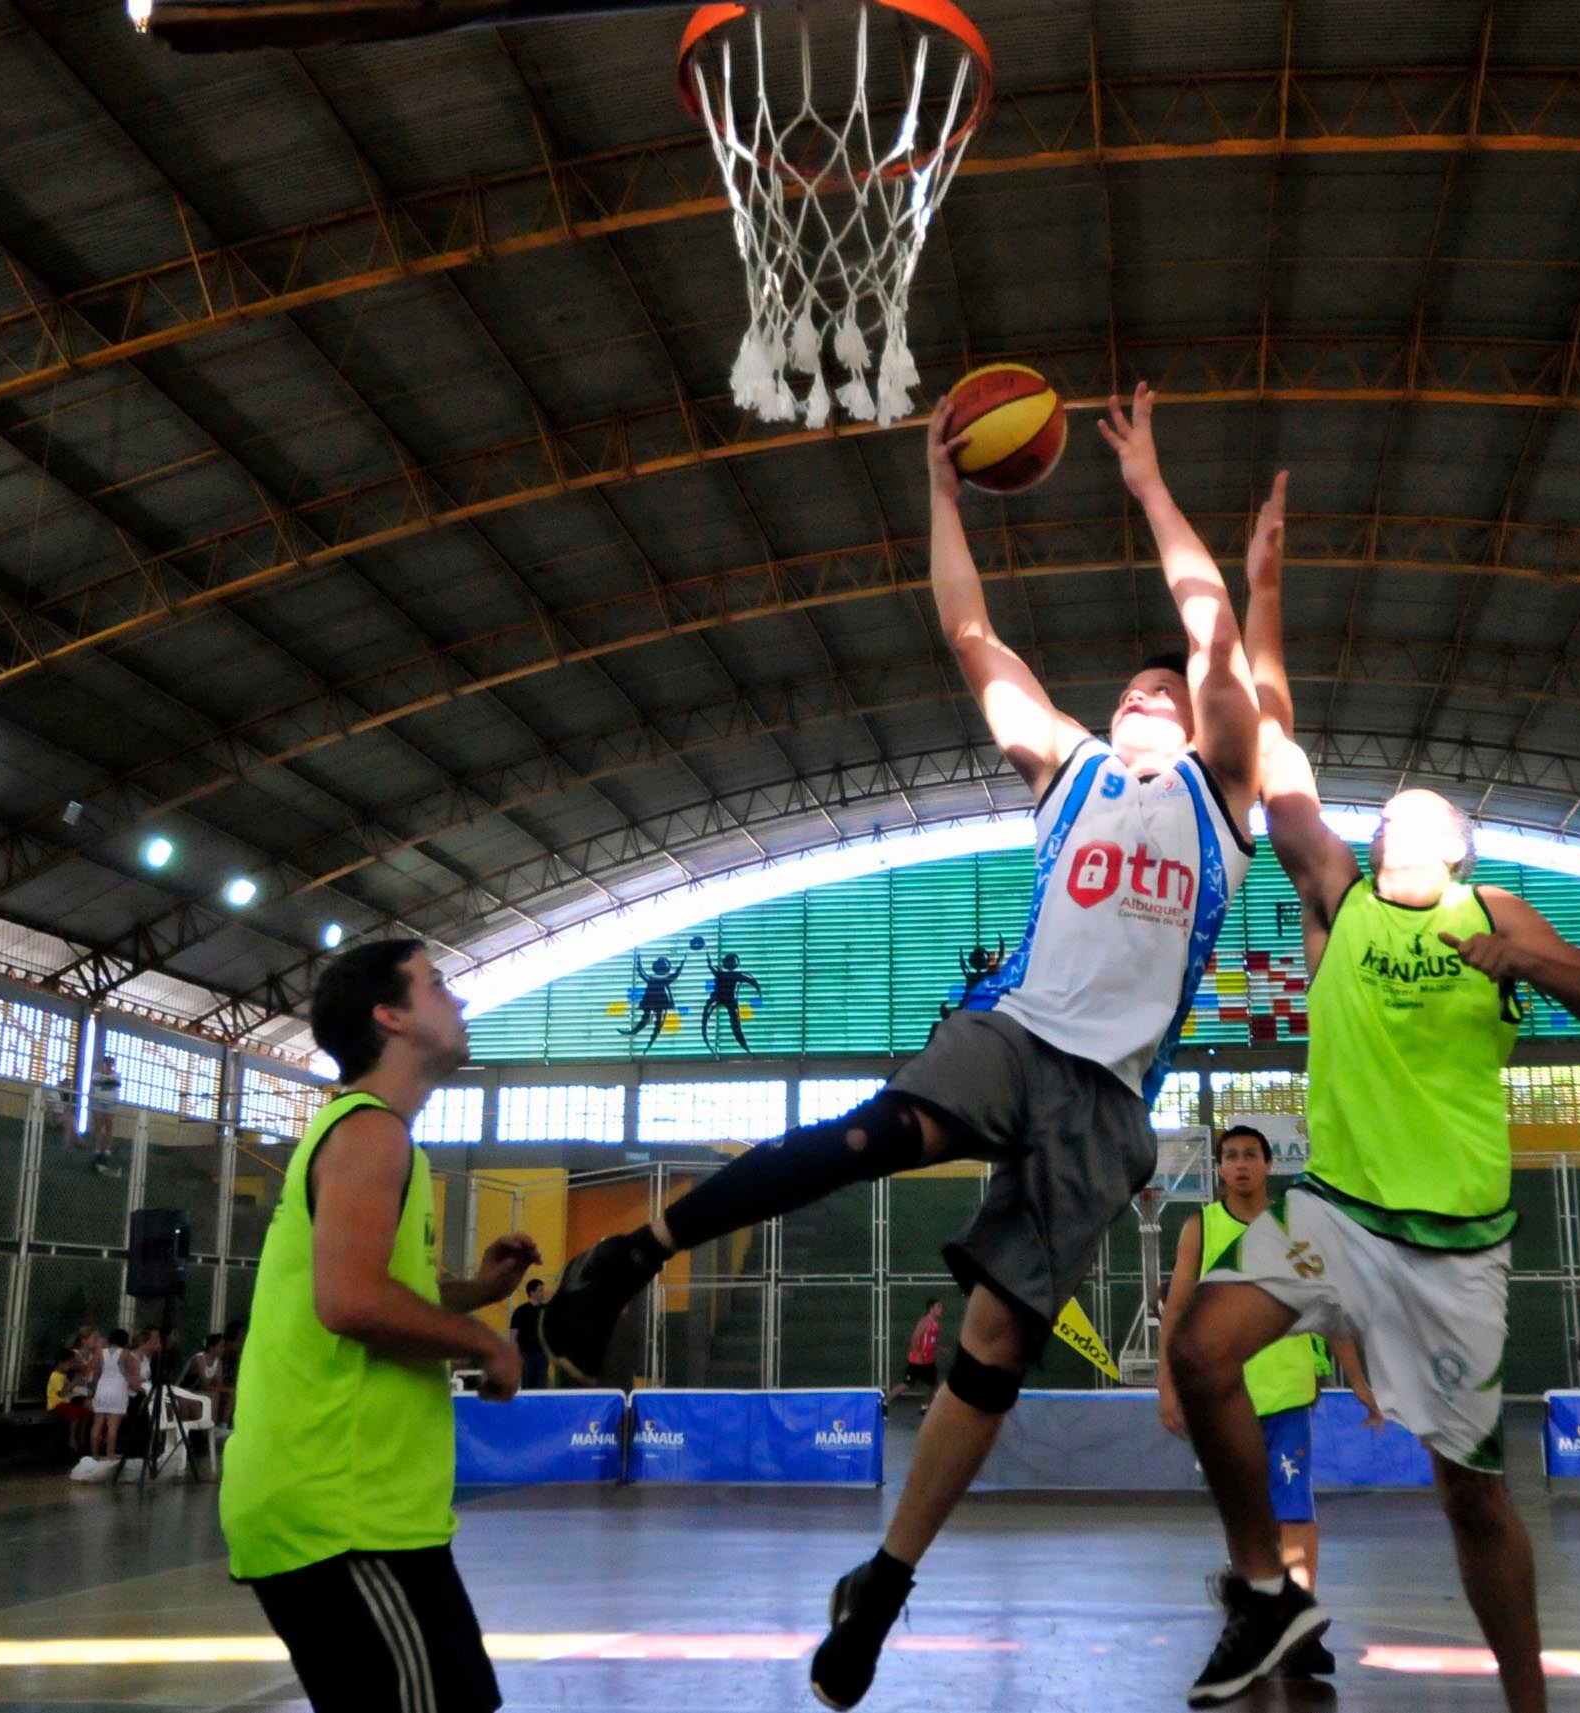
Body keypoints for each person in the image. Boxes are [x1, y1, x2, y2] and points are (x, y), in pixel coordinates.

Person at [541, 381, 1262, 1711]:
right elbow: (968, 627)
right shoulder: (1072, 770)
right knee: (864, 1137)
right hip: (1014, 1032)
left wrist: (1150, 485)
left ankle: (881, 1582)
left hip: (1106, 1105)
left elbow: (1212, 632)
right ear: (1112, 719)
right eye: (1136, 688)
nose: (1155, 690)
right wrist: (939, 489)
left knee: (993, 1344)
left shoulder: (1222, 801)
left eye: (1167, 686)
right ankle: (626, 1257)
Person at [1166, 475, 1580, 1710]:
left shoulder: (1498, 913)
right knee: (1200, 1355)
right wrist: (1265, 591)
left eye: (1428, 815)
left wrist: (1531, 961)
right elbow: (1274, 755)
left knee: (1469, 1491)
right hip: (1335, 1216)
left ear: (1463, 846)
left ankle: (1526, 1698)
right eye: (1392, 814)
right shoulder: (1340, 898)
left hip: (1453, 1249)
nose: (1403, 818)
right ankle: (1265, 1593)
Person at [219, 937, 537, 1713]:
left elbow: (375, 1289)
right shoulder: (370, 1131)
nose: (458, 1001)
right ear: (389, 1015)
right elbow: (351, 1301)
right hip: (343, 1511)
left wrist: (471, 1294)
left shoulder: (373, 1135)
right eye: (437, 986)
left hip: (358, 1510)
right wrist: (487, 1342)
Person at [1158, 1123, 1380, 1677]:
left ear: (1267, 1165)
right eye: (1229, 1156)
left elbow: (1329, 1308)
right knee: (1247, 1517)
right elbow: (1178, 1313)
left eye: (1249, 1155)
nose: (1239, 1164)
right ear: (1219, 1169)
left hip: (1287, 1395)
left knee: (1296, 1511)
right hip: (1223, 1400)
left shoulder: (1294, 1229)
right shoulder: (1201, 1228)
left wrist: (1357, 1378)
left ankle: (1299, 1628)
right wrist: (1168, 1387)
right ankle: (1261, 1620)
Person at [883, 1297, 942, 1413]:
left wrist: (940, 1349)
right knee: (907, 1384)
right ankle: (884, 1402)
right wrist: (917, 1354)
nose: (941, 1309)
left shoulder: (935, 1324)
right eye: (938, 1307)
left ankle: (924, 1407)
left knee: (933, 1385)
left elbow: (931, 1341)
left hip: (929, 1361)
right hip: (917, 1361)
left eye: (941, 1307)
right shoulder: (925, 1322)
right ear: (931, 1309)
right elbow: (914, 1337)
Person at [90, 1328, 140, 1461]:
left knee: (98, 1423)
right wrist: (136, 1387)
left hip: (102, 1388)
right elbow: (131, 1374)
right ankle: (110, 1455)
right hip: (118, 1389)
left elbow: (94, 1373)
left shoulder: (100, 1353)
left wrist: (92, 1392)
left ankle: (94, 1455)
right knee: (113, 1425)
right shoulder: (126, 1354)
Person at [47, 1345, 93, 1454]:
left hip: (65, 1403)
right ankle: (71, 1438)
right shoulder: (56, 1376)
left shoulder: (63, 1375)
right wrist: (74, 1383)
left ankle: (81, 1437)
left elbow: (68, 1388)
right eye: (69, 1363)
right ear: (61, 1362)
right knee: (74, 1413)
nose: (71, 1366)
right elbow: (62, 1393)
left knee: (85, 1412)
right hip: (56, 1404)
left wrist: (77, 1384)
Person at [88, 1054, 123, 1176]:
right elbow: (95, 1083)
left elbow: (116, 1084)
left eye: (110, 1063)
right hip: (98, 1103)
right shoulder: (97, 1074)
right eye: (106, 1063)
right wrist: (108, 1082)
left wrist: (103, 1083)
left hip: (111, 1104)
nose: (108, 1065)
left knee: (109, 1126)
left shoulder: (117, 1075)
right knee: (99, 1126)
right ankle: (97, 1149)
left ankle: (106, 1149)